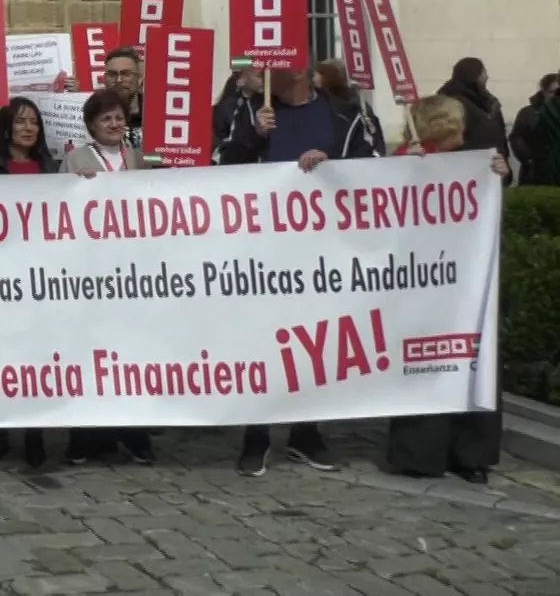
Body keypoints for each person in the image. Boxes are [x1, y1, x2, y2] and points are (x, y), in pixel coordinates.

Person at [215, 67, 379, 475]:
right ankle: (257, 435)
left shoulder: (344, 113)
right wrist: (253, 134)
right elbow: (221, 164)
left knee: (315, 339)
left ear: (301, 70)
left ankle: (307, 432)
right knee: (261, 340)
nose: (263, 70)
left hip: (324, 253)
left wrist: (333, 166)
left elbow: (375, 167)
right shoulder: (252, 110)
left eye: (276, 63)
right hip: (263, 251)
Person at [387, 96, 510, 483]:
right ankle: (421, 454)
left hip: (468, 281)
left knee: (470, 360)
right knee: (425, 361)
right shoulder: (405, 162)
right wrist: (405, 165)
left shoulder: (477, 161)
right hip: (421, 281)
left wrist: (499, 175)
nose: (465, 131)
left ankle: (471, 454)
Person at [57, 89, 157, 466]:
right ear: (91, 126)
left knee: (132, 356)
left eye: (118, 118)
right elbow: (58, 207)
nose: (114, 125)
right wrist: (75, 187)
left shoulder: (139, 158)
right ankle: (86, 438)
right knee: (90, 354)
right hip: (91, 272)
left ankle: (133, 434)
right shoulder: (76, 160)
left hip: (133, 273)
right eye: (106, 119)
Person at [0, 98, 56, 468]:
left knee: (36, 357)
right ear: (7, 126)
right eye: (22, 122)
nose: (29, 129)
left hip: (39, 277)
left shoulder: (50, 168)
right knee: (1, 354)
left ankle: (34, 432)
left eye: (34, 123)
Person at [438, 58, 509, 174]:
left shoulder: (488, 102)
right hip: (464, 172)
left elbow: (501, 135)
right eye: (484, 73)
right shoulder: (450, 104)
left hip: (493, 170)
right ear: (475, 75)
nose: (487, 77)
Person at [509, 74, 560, 183]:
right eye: (553, 92)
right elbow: (516, 138)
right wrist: (529, 159)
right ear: (544, 92)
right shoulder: (528, 113)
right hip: (535, 173)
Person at [102, 47, 144, 152]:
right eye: (112, 74)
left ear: (139, 79)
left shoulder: (158, 113)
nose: (119, 80)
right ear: (104, 79)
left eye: (126, 74)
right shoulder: (94, 112)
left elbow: (165, 158)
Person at [213, 67, 263, 149]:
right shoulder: (229, 107)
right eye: (260, 76)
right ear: (241, 81)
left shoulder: (271, 103)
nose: (266, 80)